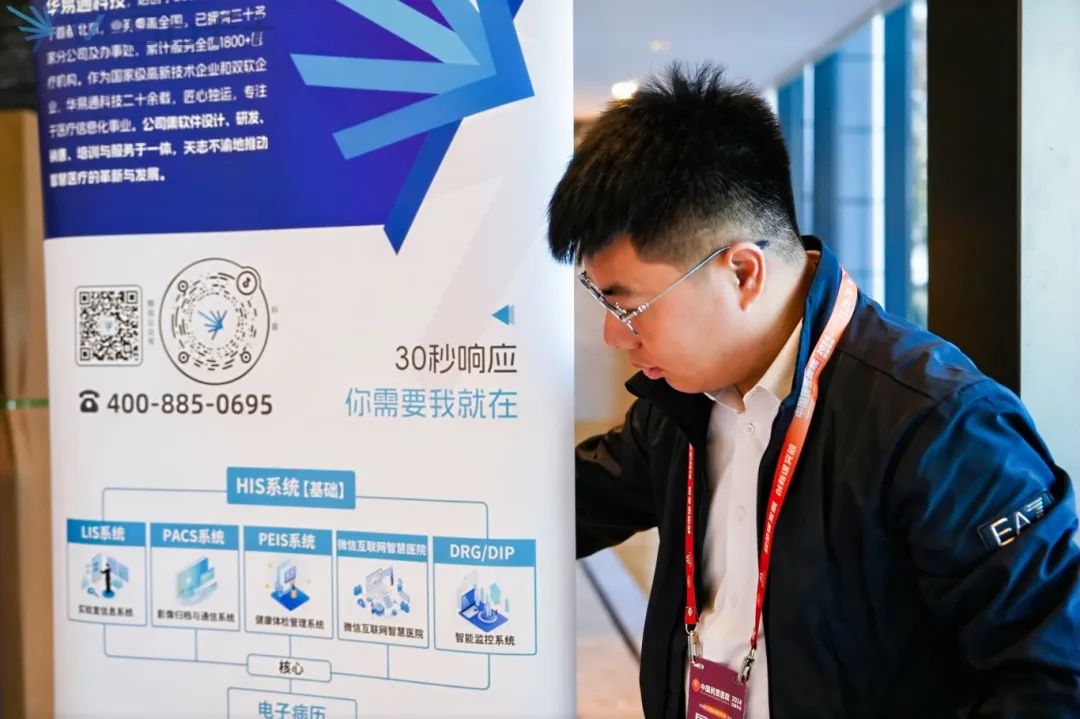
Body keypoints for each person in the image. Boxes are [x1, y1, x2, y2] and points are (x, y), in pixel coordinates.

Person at [549, 64, 1080, 718]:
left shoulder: (939, 427)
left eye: (628, 306)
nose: (613, 335)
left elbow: (1051, 679)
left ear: (742, 273)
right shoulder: (679, 406)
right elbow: (567, 503)